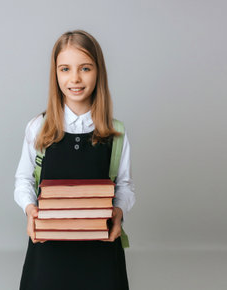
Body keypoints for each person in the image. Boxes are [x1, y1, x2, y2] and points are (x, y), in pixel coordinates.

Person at [14, 29, 135, 290]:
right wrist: (29, 210)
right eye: (65, 69)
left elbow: (124, 185)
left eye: (85, 68)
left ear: (98, 71)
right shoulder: (38, 127)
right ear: (55, 74)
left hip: (100, 252)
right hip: (48, 253)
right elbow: (23, 179)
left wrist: (118, 212)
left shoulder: (116, 133)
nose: (75, 79)